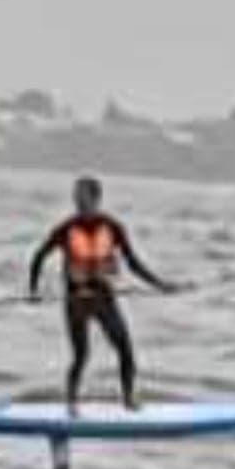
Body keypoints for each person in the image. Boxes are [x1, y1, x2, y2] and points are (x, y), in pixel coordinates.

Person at [28, 176, 177, 415]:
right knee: (81, 356)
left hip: (104, 299)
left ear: (96, 198)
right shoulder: (65, 228)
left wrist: (161, 285)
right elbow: (38, 257)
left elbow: (133, 263)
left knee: (126, 351)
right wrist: (33, 290)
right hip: (76, 301)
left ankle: (128, 400)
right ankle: (71, 403)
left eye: (82, 197)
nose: (77, 201)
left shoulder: (113, 227)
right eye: (75, 196)